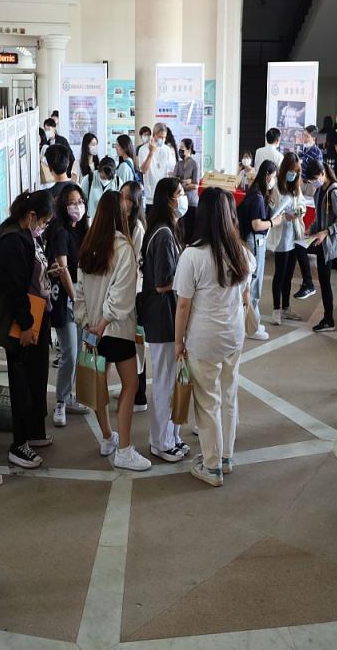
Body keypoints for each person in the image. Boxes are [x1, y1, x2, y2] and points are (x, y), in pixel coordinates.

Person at [174, 188, 253, 487]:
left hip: (204, 339)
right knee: (229, 394)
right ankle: (226, 458)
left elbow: (183, 305)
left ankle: (211, 466)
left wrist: (178, 342)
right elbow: (245, 294)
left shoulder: (192, 255)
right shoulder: (241, 252)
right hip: (234, 335)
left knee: (207, 402)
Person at [75, 191, 151, 471]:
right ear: (120, 216)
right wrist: (104, 323)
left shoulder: (88, 246)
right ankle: (125, 449)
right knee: (130, 384)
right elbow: (122, 294)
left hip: (93, 331)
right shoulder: (123, 248)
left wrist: (88, 324)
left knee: (99, 382)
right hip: (116, 329)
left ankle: (108, 437)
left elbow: (80, 292)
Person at [0, 190, 55, 469]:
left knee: (36, 375)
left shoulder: (25, 234)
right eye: (44, 221)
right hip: (21, 320)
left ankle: (33, 432)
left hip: (35, 314)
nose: (44, 226)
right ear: (31, 216)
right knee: (22, 381)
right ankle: (19, 444)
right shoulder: (13, 239)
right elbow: (15, 289)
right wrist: (26, 325)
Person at [141, 177, 190, 463]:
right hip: (162, 317)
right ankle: (160, 441)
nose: (183, 198)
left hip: (166, 316)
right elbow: (162, 283)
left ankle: (171, 435)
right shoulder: (162, 235)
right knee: (163, 381)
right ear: (169, 199)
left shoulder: (165, 230)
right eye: (180, 194)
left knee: (170, 380)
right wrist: (189, 279)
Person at [46, 184, 90, 427]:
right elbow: (62, 270)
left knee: (80, 353)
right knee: (69, 352)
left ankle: (70, 397)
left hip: (84, 297)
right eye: (72, 203)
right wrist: (75, 298)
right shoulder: (60, 231)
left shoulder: (84, 229)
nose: (77, 207)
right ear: (64, 206)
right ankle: (61, 401)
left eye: (80, 202)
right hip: (67, 299)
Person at [239, 159, 282, 341]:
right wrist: (274, 222)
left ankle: (253, 321)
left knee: (252, 282)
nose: (274, 180)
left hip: (254, 240)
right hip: (255, 241)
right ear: (267, 175)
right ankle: (252, 326)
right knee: (254, 284)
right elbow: (257, 225)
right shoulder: (256, 196)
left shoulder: (256, 192)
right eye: (273, 176)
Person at [303, 158, 337, 333]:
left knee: (325, 281)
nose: (313, 183)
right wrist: (311, 229)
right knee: (322, 278)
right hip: (320, 240)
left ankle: (328, 319)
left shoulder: (334, 191)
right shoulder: (319, 190)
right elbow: (319, 217)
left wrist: (325, 232)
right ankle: (308, 286)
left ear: (323, 174)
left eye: (315, 179)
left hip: (329, 243)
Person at [120, 180, 149, 412]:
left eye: (126, 198)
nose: (122, 201)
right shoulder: (123, 223)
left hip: (136, 293)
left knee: (137, 343)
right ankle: (132, 388)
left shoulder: (137, 227)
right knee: (130, 341)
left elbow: (134, 261)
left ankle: (139, 394)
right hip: (127, 290)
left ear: (135, 201)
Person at [269, 153, 306, 325]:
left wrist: (296, 213)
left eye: (296, 171)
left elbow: (302, 206)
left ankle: (286, 308)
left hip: (294, 236)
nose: (294, 174)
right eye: (292, 171)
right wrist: (284, 215)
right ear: (285, 170)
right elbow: (271, 212)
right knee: (280, 274)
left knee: (289, 275)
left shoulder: (296, 187)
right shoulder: (276, 187)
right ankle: (276, 309)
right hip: (280, 238)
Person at [138, 122, 176, 213]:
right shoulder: (143, 149)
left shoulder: (166, 149)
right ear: (154, 135)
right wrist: (151, 153)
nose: (162, 139)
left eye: (164, 137)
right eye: (160, 137)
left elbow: (172, 169)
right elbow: (143, 170)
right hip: (150, 195)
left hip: (165, 194)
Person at [174, 138, 201, 243]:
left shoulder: (194, 164)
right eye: (179, 148)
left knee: (190, 230)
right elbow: (174, 181)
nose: (180, 150)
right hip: (179, 202)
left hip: (191, 202)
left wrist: (182, 183)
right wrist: (186, 181)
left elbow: (195, 185)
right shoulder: (178, 164)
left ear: (189, 150)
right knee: (180, 231)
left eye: (182, 148)